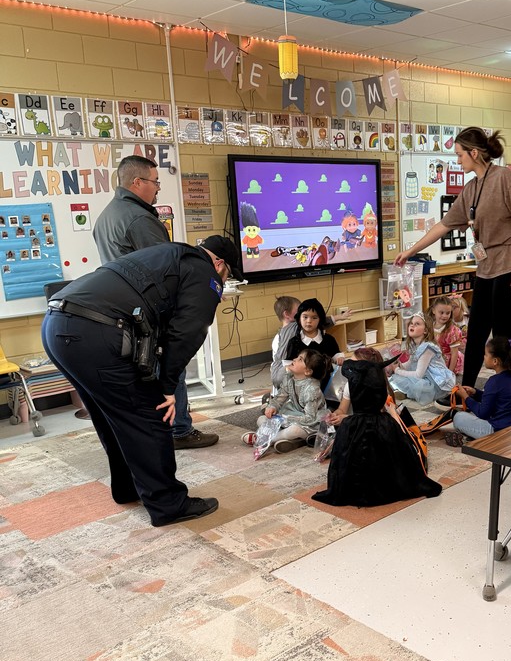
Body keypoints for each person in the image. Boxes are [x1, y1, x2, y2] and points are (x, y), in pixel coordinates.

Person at [41, 236, 243, 527]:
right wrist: (167, 386)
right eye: (227, 275)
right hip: (94, 332)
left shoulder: (168, 253)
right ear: (220, 263)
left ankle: (128, 488)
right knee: (150, 415)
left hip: (56, 324)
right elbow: (188, 331)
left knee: (113, 415)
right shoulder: (205, 272)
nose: (223, 282)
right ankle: (168, 504)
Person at [394, 127, 511, 389]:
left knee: (503, 337)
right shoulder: (471, 188)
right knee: (477, 331)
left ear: (474, 153)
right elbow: (443, 226)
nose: (457, 160)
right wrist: (411, 251)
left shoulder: (506, 178)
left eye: (460, 155)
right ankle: (466, 389)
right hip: (487, 266)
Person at [93, 155, 217, 450]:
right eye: (155, 181)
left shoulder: (107, 215)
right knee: (171, 364)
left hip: (122, 308)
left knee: (147, 371)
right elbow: (165, 267)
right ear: (137, 182)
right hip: (148, 308)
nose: (158, 187)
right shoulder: (139, 219)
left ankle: (160, 430)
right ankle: (179, 430)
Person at [313, 355, 442, 507]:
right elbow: (403, 460)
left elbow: (339, 465)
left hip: (353, 484)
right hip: (389, 483)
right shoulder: (388, 425)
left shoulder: (349, 426)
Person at [244, 348, 328, 454]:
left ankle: (263, 440)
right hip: (292, 414)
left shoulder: (312, 389)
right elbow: (280, 397)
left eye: (300, 359)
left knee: (294, 430)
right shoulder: (289, 378)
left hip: (310, 422)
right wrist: (272, 407)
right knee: (261, 419)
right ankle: (291, 440)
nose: (295, 359)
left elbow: (310, 418)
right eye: (297, 357)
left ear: (307, 371)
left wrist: (284, 419)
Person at [451, 338, 511, 442]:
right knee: (472, 413)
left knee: (458, 417)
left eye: (486, 354)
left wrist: (465, 397)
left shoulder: (494, 381)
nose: (484, 357)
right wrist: (476, 393)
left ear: (495, 361)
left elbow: (483, 413)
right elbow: (498, 398)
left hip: (499, 432)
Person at [390, 312, 455, 405]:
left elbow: (418, 375)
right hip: (425, 374)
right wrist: (399, 365)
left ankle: (407, 393)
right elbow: (410, 363)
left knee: (416, 384)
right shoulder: (414, 344)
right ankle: (406, 392)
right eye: (411, 323)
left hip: (436, 381)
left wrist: (397, 370)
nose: (412, 325)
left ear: (425, 331)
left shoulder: (427, 348)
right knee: (395, 377)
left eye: (417, 324)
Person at [282, 298, 340, 391]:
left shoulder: (328, 339)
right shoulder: (294, 342)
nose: (309, 321)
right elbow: (289, 365)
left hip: (328, 384)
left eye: (314, 318)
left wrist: (339, 358)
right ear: (299, 318)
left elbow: (336, 355)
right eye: (305, 317)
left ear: (320, 319)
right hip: (302, 387)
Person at [268, 295, 300, 396]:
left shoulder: (280, 335)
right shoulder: (293, 328)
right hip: (282, 372)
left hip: (277, 371)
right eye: (298, 310)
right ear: (287, 314)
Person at [427, 296, 464, 376]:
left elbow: (454, 353)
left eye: (448, 313)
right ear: (434, 311)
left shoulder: (452, 331)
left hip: (447, 360)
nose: (445, 316)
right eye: (441, 312)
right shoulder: (429, 326)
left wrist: (449, 372)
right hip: (433, 357)